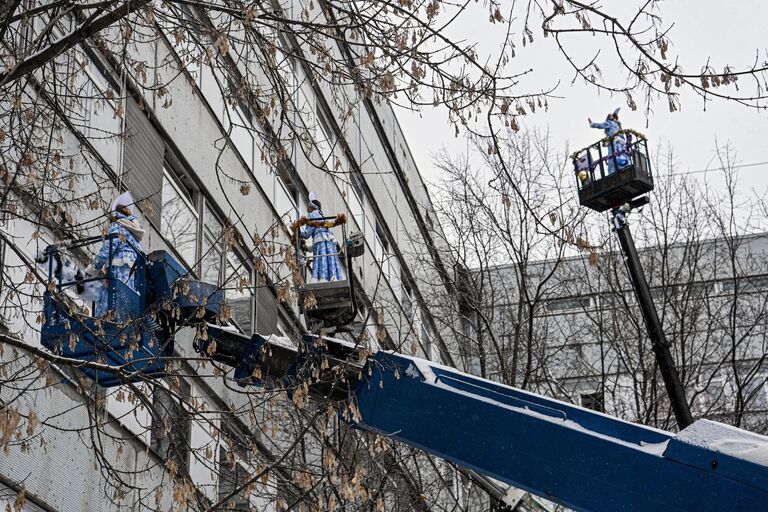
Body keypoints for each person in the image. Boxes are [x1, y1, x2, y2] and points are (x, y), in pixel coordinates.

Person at [86, 191, 146, 317]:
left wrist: (93, 268)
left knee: (110, 301)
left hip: (117, 270)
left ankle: (103, 320)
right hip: (131, 275)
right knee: (124, 303)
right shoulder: (135, 235)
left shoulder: (117, 226)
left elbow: (108, 248)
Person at [299, 192, 344, 283]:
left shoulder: (312, 216)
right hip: (329, 242)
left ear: (312, 207)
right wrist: (309, 248)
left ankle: (320, 278)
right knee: (329, 259)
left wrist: (298, 232)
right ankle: (333, 277)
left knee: (320, 258)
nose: (307, 209)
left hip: (319, 242)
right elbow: (325, 231)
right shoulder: (323, 217)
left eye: (308, 206)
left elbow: (307, 234)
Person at [588, 108, 628, 174]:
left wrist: (592, 124)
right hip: (617, 142)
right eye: (612, 116)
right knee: (617, 155)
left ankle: (619, 169)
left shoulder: (614, 124)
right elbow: (601, 125)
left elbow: (601, 125)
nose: (614, 118)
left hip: (617, 142)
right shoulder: (613, 124)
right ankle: (618, 170)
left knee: (617, 155)